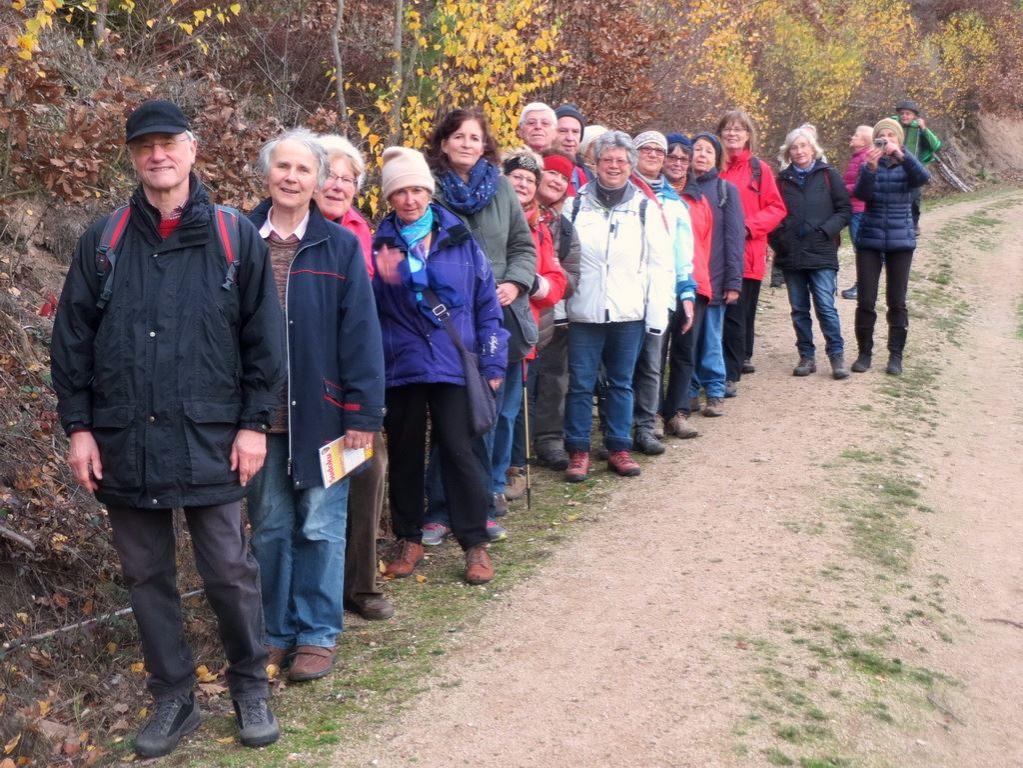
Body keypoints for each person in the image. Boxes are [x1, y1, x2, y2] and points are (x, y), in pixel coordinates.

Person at [51, 100, 285, 756]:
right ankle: (173, 696)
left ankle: (249, 684)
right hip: (124, 439)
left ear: (192, 149)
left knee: (228, 570)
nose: (158, 155)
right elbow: (72, 343)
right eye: (144, 146)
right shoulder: (104, 239)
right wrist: (79, 428)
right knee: (145, 575)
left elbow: (264, 344)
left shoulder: (236, 237)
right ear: (132, 157)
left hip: (212, 437)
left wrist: (252, 426)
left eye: (168, 143)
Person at [245, 128, 384, 685]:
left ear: (318, 180)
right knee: (272, 527)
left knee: (322, 526)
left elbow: (362, 337)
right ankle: (275, 632)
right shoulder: (237, 239)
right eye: (283, 166)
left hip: (327, 417)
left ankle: (318, 633)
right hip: (259, 421)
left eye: (304, 169)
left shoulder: (340, 246)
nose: (292, 177)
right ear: (267, 173)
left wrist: (362, 416)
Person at [372, 146, 508, 584]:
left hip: (454, 363)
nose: (409, 200)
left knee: (461, 450)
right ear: (389, 198)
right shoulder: (378, 245)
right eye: (400, 192)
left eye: (416, 190)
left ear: (429, 191)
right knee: (406, 453)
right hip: (402, 364)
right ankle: (409, 538)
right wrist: (385, 282)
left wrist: (493, 361)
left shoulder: (460, 238)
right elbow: (367, 314)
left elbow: (487, 304)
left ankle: (474, 543)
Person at [422, 107, 536, 542]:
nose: (467, 144)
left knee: (485, 415)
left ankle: (481, 504)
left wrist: (515, 283)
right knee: (447, 420)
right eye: (459, 136)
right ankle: (438, 510)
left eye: (475, 137)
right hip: (443, 323)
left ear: (485, 144)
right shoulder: (428, 189)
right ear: (444, 142)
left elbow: (522, 246)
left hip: (495, 320)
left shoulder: (503, 188)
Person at [562, 131, 674, 482]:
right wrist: (562, 309)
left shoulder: (644, 207)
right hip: (583, 310)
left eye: (621, 161)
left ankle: (618, 447)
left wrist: (656, 315)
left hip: (628, 312)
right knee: (580, 383)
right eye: (607, 160)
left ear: (631, 166)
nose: (614, 166)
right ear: (595, 164)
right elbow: (560, 260)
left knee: (622, 382)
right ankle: (578, 450)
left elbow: (660, 264)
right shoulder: (574, 205)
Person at [314, 134, 394, 622]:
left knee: (366, 468)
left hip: (354, 376)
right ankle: (315, 591)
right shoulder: (280, 231)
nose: (339, 185)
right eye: (331, 175)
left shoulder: (363, 231)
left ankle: (360, 585)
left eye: (348, 179)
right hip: (305, 379)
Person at [496, 149, 568, 499]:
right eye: (516, 178)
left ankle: (504, 475)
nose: (522, 184)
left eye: (529, 180)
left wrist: (534, 284)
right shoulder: (491, 217)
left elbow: (557, 280)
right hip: (489, 328)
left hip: (524, 332)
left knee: (509, 411)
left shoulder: (541, 227)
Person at [630, 130, 696, 455]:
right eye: (647, 149)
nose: (654, 154)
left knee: (653, 361)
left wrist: (686, 293)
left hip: (661, 293)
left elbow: (683, 255)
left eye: (660, 150)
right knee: (620, 365)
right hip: (623, 293)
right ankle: (619, 426)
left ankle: (647, 421)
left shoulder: (675, 203)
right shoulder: (620, 190)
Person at [770, 126, 852, 379]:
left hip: (822, 252)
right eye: (794, 147)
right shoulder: (781, 181)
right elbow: (772, 213)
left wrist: (825, 231)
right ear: (788, 152)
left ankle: (836, 356)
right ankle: (806, 357)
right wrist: (781, 239)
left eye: (803, 146)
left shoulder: (829, 175)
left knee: (826, 306)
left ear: (813, 148)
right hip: (791, 253)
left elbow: (845, 210)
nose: (799, 151)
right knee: (799, 308)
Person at [851, 118, 930, 376]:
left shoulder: (907, 163)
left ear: (898, 139)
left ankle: (896, 356)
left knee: (897, 301)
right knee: (866, 300)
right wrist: (870, 168)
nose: (885, 140)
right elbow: (862, 195)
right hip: (870, 239)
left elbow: (923, 177)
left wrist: (901, 154)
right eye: (881, 136)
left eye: (891, 136)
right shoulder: (869, 164)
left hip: (901, 240)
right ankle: (865, 353)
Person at [717, 109, 787, 396]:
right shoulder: (711, 166)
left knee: (738, 315)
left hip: (747, 252)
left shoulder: (760, 169)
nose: (733, 134)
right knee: (715, 314)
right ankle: (715, 367)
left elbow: (777, 208)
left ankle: (731, 373)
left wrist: (747, 227)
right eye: (727, 129)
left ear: (748, 135)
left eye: (739, 129)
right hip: (714, 252)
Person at [687, 132, 745, 417]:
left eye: (708, 151)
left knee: (710, 339)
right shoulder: (680, 189)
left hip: (715, 279)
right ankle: (689, 391)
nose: (701, 154)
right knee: (688, 341)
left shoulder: (725, 191)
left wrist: (733, 281)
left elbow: (735, 239)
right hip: (688, 282)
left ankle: (714, 391)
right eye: (696, 149)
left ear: (717, 158)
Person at [662, 132, 715, 438]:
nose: (679, 163)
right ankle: (653, 411)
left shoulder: (699, 199)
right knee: (654, 354)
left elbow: (705, 244)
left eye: (684, 158)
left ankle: (678, 412)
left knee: (685, 351)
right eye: (673, 156)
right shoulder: (650, 195)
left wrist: (704, 286)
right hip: (660, 285)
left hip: (695, 284)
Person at [894, 100, 941, 234]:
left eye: (908, 114)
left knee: (914, 199)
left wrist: (924, 129)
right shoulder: (894, 127)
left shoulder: (919, 129)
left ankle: (914, 224)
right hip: (896, 168)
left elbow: (936, 145)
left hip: (914, 169)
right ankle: (898, 225)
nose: (904, 116)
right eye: (902, 113)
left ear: (914, 116)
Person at [840, 125, 873, 300]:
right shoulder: (857, 157)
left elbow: (861, 186)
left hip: (859, 210)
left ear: (864, 141)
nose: (852, 137)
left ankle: (862, 287)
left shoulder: (866, 158)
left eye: (855, 135)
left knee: (861, 250)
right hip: (852, 208)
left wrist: (839, 189)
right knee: (859, 249)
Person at [554, 103, 590, 192]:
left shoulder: (587, 176)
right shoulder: (537, 170)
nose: (570, 138)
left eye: (575, 132)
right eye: (563, 131)